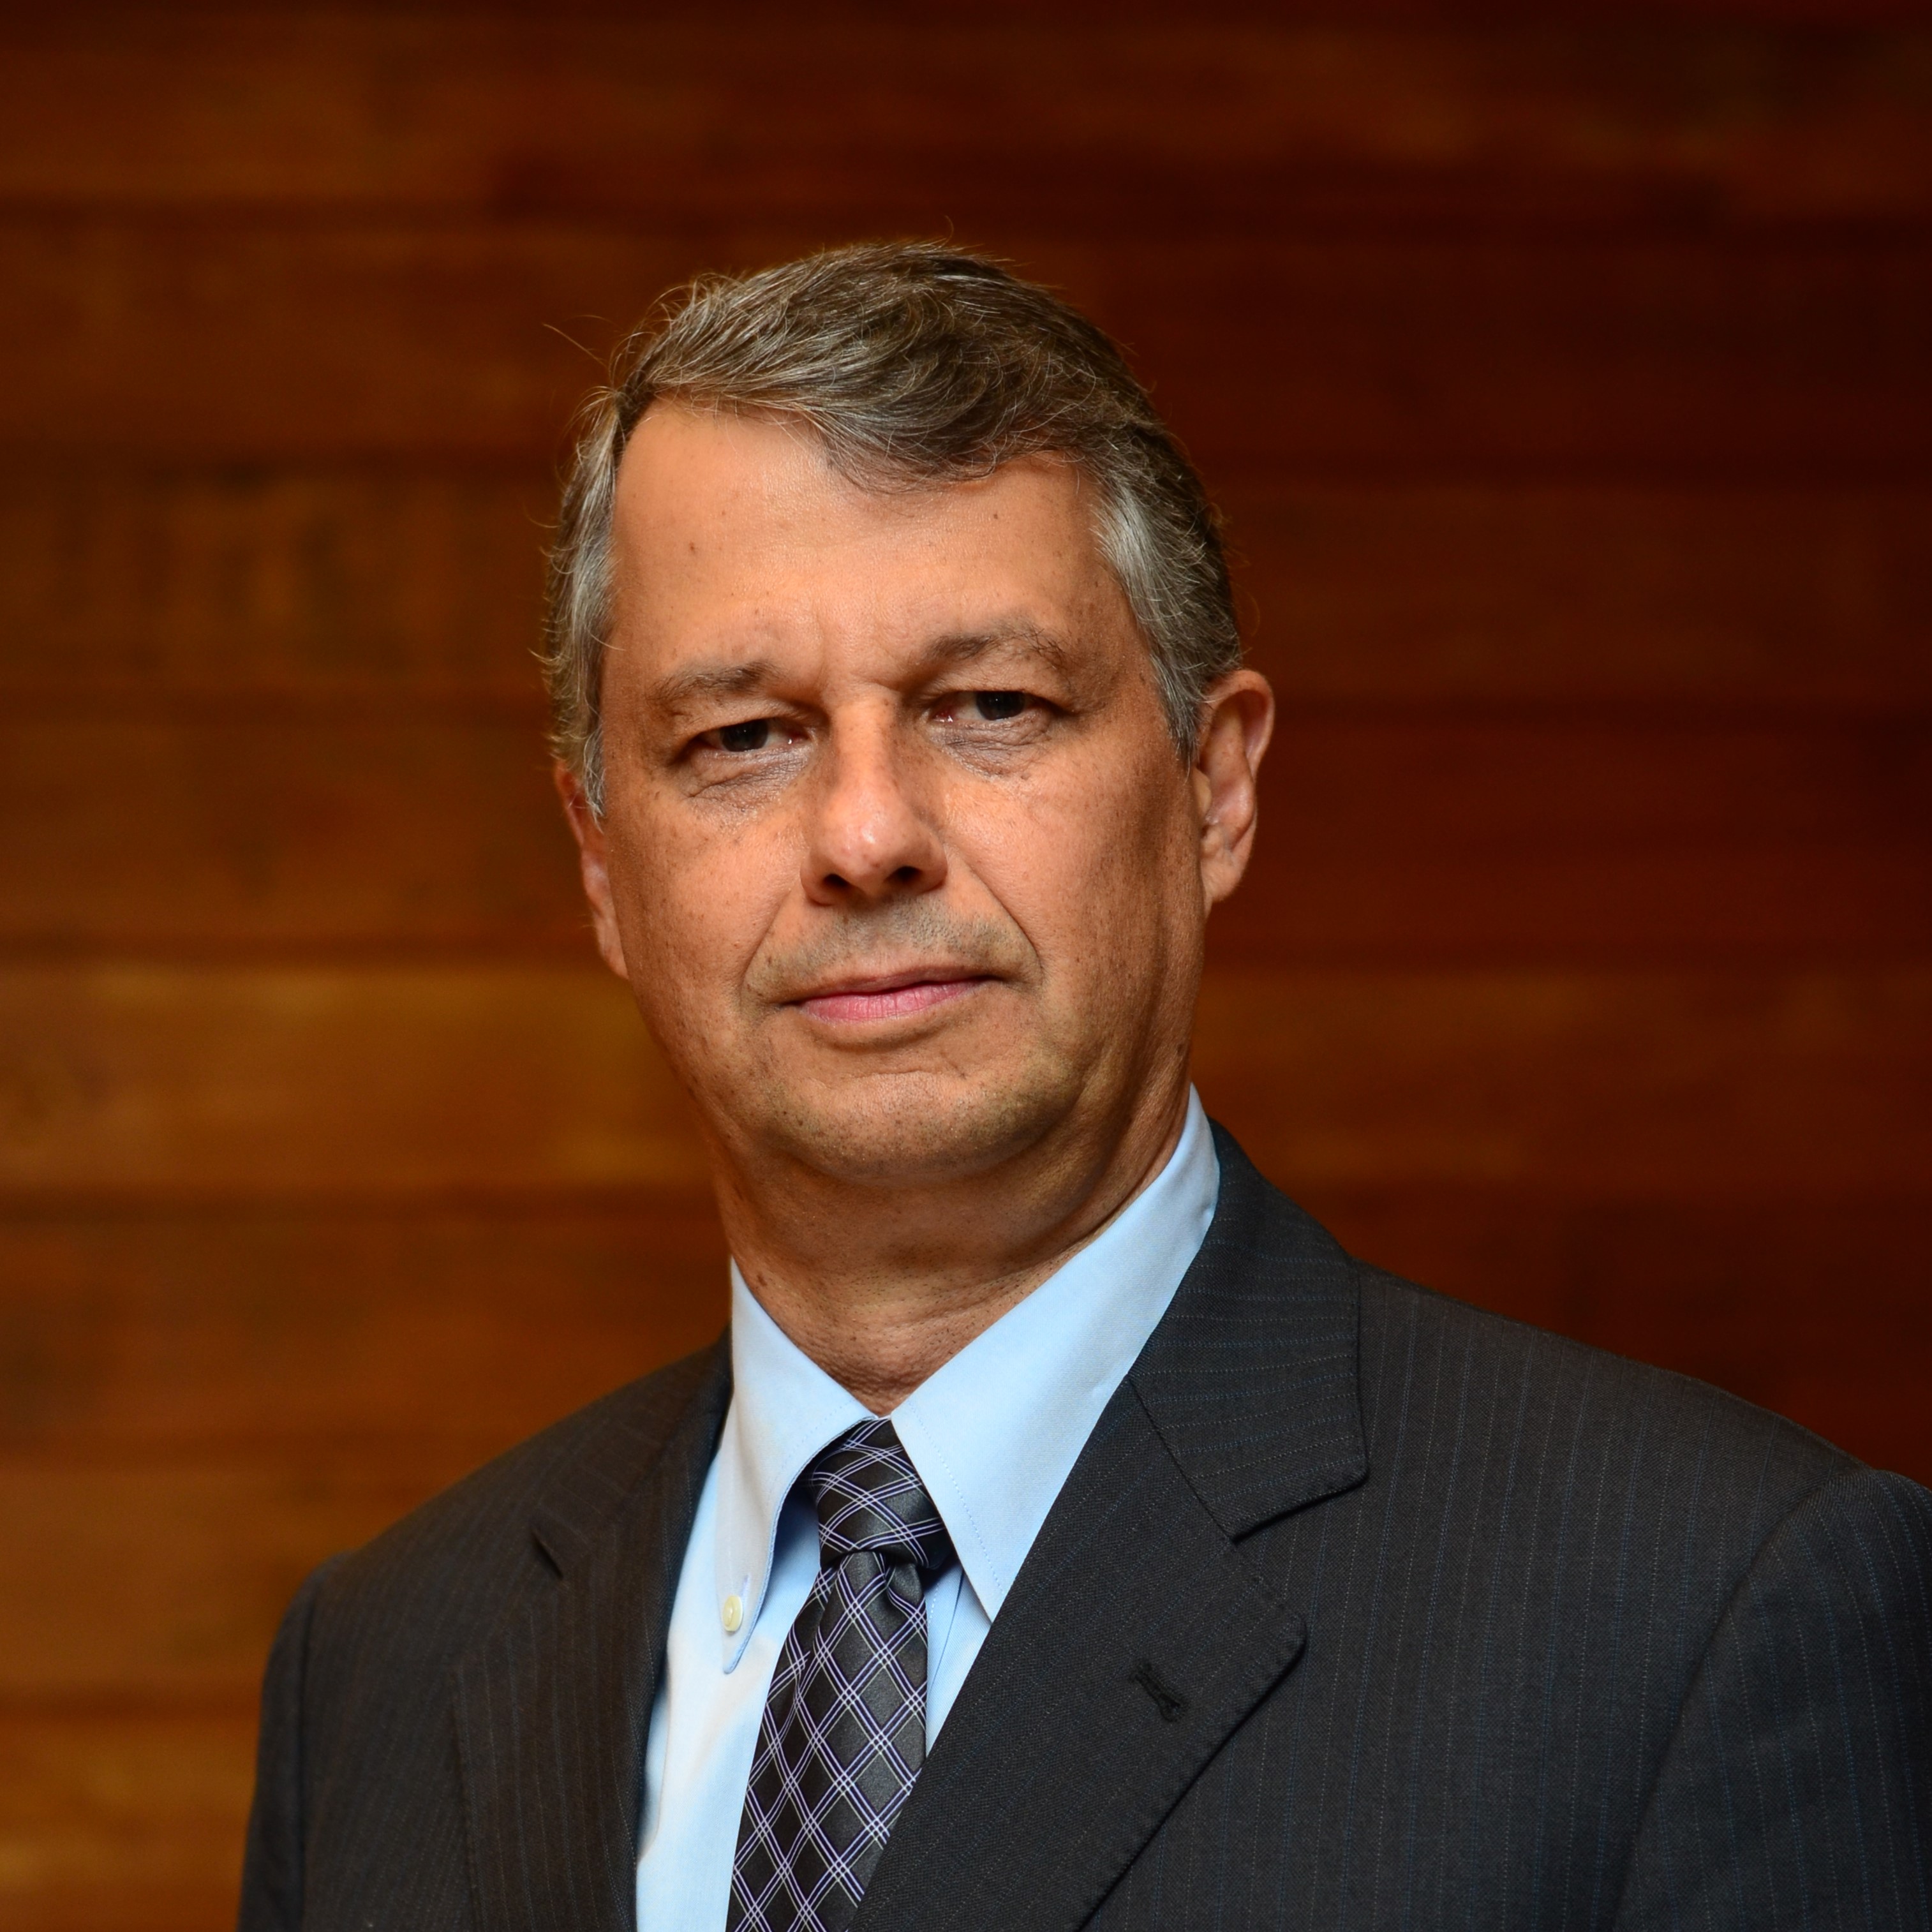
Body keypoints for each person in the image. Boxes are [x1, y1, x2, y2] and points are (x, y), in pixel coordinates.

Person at [238, 242, 1932, 1932]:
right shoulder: (382, 1663)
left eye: (990, 705)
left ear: (1214, 790)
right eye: (744, 736)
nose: (865, 835)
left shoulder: (1705, 1609)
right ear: (603, 862)